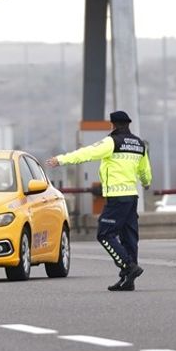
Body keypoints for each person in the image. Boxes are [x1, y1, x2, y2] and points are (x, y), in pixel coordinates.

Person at [46, 110, 152, 291]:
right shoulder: (139, 144)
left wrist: (61, 160)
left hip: (117, 197)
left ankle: (129, 266)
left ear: (112, 124)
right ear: (128, 124)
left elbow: (87, 153)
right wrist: (146, 183)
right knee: (129, 237)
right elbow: (145, 171)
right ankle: (128, 280)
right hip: (132, 197)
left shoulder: (112, 141)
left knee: (104, 234)